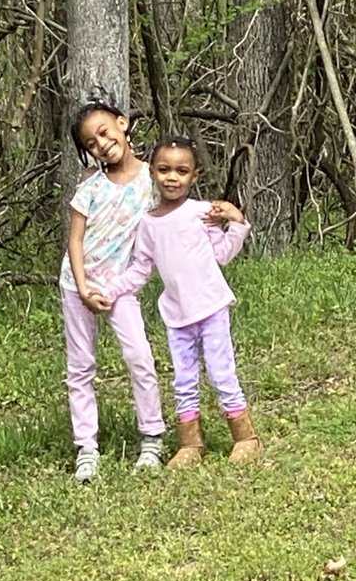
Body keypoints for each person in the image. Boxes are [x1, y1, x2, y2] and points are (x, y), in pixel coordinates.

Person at [101, 137, 262, 467]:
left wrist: (237, 222)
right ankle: (190, 443)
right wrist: (112, 289)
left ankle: (246, 437)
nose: (172, 177)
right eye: (164, 170)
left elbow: (222, 255)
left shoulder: (202, 213)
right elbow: (140, 270)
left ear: (194, 176)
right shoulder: (147, 224)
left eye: (181, 171)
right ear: (153, 173)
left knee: (221, 372)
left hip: (211, 308)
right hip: (176, 316)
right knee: (183, 378)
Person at [59, 99, 165, 483]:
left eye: (105, 132)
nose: (101, 144)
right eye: (91, 143)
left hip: (119, 287)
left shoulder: (151, 180)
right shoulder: (90, 185)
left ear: (123, 125)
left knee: (140, 357)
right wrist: (84, 287)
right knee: (81, 367)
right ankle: (86, 446)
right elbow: (74, 240)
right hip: (77, 285)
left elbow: (169, 218)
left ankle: (152, 437)